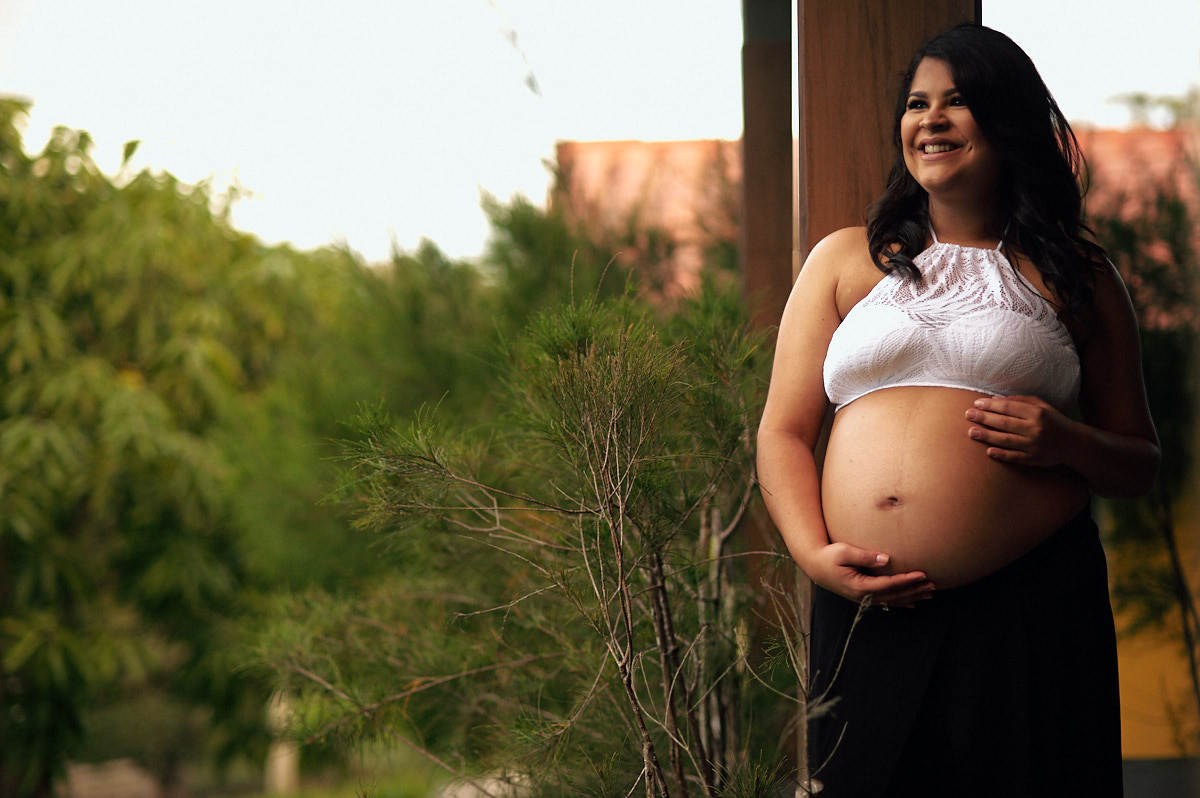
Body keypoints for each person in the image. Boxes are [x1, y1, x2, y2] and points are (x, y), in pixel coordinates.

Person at [756, 23, 1159, 797]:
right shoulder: (844, 259)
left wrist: (1066, 440)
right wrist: (813, 555)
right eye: (917, 103)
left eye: (958, 102)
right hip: (865, 609)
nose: (930, 119)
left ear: (1007, 122)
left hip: (1025, 609)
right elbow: (784, 430)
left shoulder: (1078, 274)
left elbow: (1140, 461)